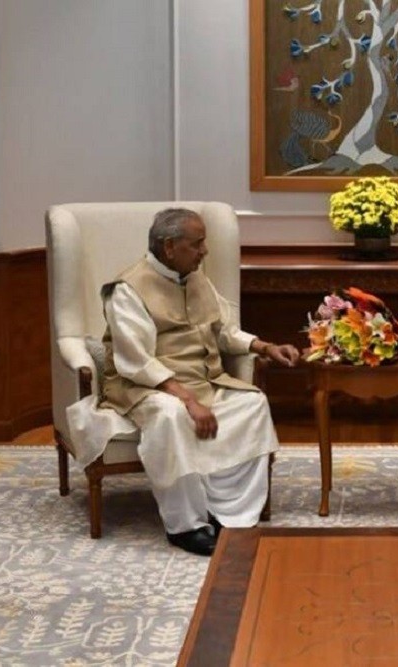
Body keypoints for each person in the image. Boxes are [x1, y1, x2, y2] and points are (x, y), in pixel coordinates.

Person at [68, 208, 299, 556]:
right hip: (144, 387)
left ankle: (229, 513)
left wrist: (265, 346)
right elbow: (135, 361)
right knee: (171, 415)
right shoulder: (128, 289)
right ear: (169, 247)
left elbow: (223, 331)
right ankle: (186, 526)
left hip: (203, 380)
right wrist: (188, 400)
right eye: (197, 243)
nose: (205, 251)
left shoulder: (196, 277)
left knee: (253, 403)